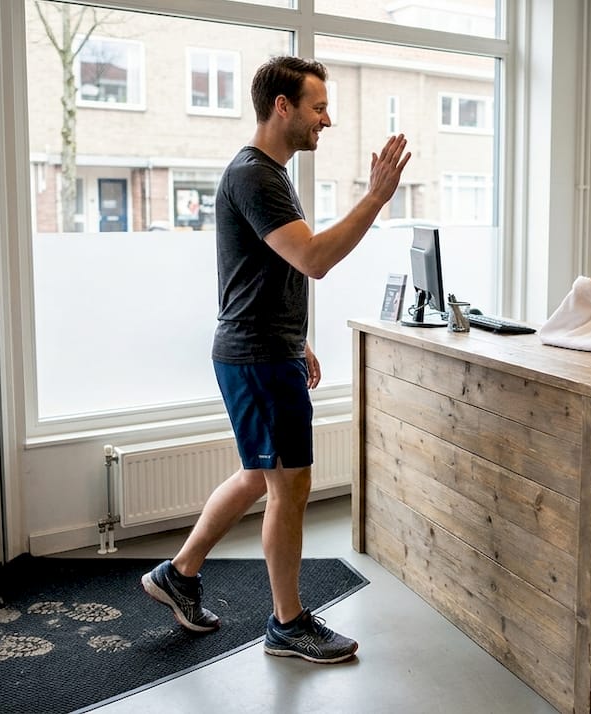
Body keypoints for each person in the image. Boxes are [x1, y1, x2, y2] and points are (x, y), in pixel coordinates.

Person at [141, 55, 411, 664]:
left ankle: (178, 574)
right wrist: (375, 199)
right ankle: (287, 624)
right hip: (258, 357)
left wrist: (298, 337)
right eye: (318, 106)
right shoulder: (255, 175)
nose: (328, 119)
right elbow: (313, 258)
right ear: (282, 107)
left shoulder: (266, 173)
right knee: (291, 486)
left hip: (265, 348)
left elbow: (271, 268)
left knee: (259, 476)